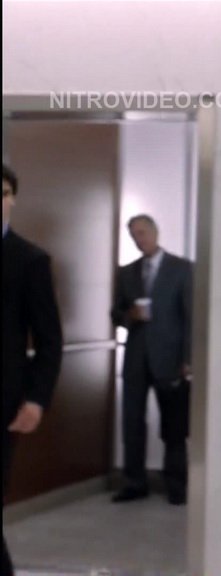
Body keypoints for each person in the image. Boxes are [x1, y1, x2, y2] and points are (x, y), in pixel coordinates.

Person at [2, 163, 65, 576]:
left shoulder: (29, 260)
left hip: (4, 402)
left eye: (4, 193)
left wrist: (37, 399)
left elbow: (49, 340)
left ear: (13, 200)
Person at [110, 215, 193, 505]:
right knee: (132, 422)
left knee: (173, 426)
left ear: (156, 232)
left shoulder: (182, 269)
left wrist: (188, 358)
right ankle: (134, 483)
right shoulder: (127, 273)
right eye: (134, 235)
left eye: (142, 233)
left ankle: (177, 486)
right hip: (135, 358)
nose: (139, 239)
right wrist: (129, 316)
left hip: (170, 359)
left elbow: (190, 317)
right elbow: (115, 314)